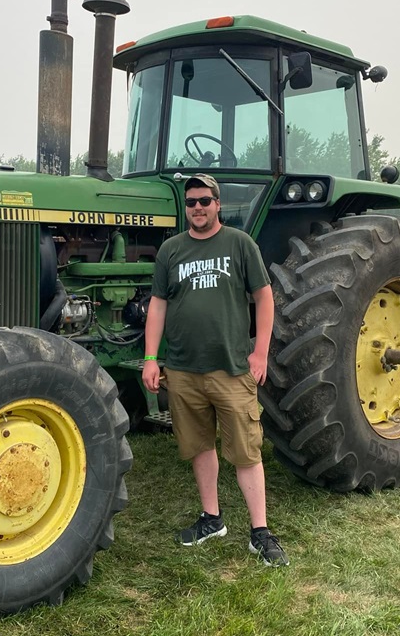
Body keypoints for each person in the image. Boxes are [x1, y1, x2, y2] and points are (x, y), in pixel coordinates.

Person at [142, 173, 289, 567]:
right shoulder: (171, 250)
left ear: (218, 204)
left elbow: (263, 297)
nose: (198, 208)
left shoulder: (240, 244)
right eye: (191, 202)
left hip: (231, 368)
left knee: (245, 450)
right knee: (200, 447)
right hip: (184, 370)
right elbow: (158, 304)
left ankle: (260, 532)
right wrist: (152, 357)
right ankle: (212, 519)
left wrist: (260, 353)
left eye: (205, 201)